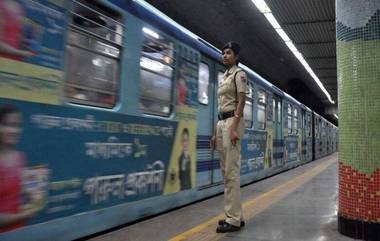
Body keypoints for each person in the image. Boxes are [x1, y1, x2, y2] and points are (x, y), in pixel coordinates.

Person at [210, 41, 247, 233]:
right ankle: (235, 215)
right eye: (223, 53)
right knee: (226, 173)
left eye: (229, 52)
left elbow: (241, 101)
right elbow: (220, 107)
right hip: (222, 123)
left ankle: (233, 219)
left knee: (231, 172)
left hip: (233, 122)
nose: (225, 55)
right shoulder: (224, 76)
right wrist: (215, 133)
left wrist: (234, 127)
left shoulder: (239, 75)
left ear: (236, 56)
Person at [0, 105, 40, 232]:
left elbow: (21, 196)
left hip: (20, 233)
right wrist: (24, 216)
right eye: (8, 125)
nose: (15, 131)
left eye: (17, 126)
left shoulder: (20, 158)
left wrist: (34, 198)